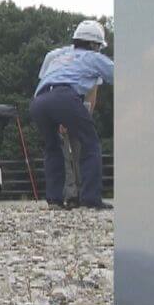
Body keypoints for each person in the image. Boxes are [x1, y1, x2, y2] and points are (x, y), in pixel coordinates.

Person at [30, 19, 114, 210]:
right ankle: (90, 199)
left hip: (39, 100)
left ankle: (54, 200)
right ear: (94, 44)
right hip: (65, 97)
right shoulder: (93, 58)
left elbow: (45, 77)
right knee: (90, 144)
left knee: (52, 148)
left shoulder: (57, 54)